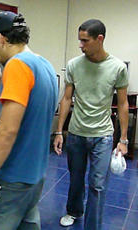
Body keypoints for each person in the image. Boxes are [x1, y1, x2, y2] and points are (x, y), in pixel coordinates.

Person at [0, 11, 58, 230]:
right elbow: (31, 113)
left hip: (13, 177)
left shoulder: (17, 65)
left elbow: (8, 131)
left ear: (1, 38)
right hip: (35, 176)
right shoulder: (44, 65)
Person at [53, 19, 129, 230]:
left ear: (100, 39)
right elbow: (66, 99)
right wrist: (59, 131)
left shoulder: (118, 67)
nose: (81, 45)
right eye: (80, 40)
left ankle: (92, 226)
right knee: (76, 179)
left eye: (85, 40)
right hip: (76, 134)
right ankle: (74, 211)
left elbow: (122, 104)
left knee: (97, 185)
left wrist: (123, 140)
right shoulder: (74, 65)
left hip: (103, 136)